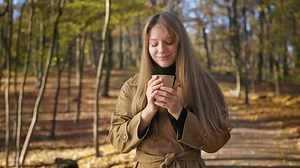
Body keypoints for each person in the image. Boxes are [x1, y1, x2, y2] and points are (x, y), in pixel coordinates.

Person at [108, 12, 231, 168]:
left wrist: (179, 113)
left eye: (169, 42)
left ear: (181, 43)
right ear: (147, 46)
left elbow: (217, 140)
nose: (161, 49)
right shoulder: (132, 87)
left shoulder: (204, 84)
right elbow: (118, 140)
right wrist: (147, 112)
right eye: (154, 44)